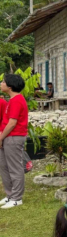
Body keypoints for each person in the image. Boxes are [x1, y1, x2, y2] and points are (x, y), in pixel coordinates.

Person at [0, 74, 29, 209]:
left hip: (14, 137)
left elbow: (12, 123)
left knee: (14, 168)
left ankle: (17, 198)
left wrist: (1, 137)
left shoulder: (17, 100)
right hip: (7, 136)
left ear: (10, 86)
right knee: (4, 167)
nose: (1, 83)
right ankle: (10, 195)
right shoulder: (11, 100)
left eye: (3, 82)